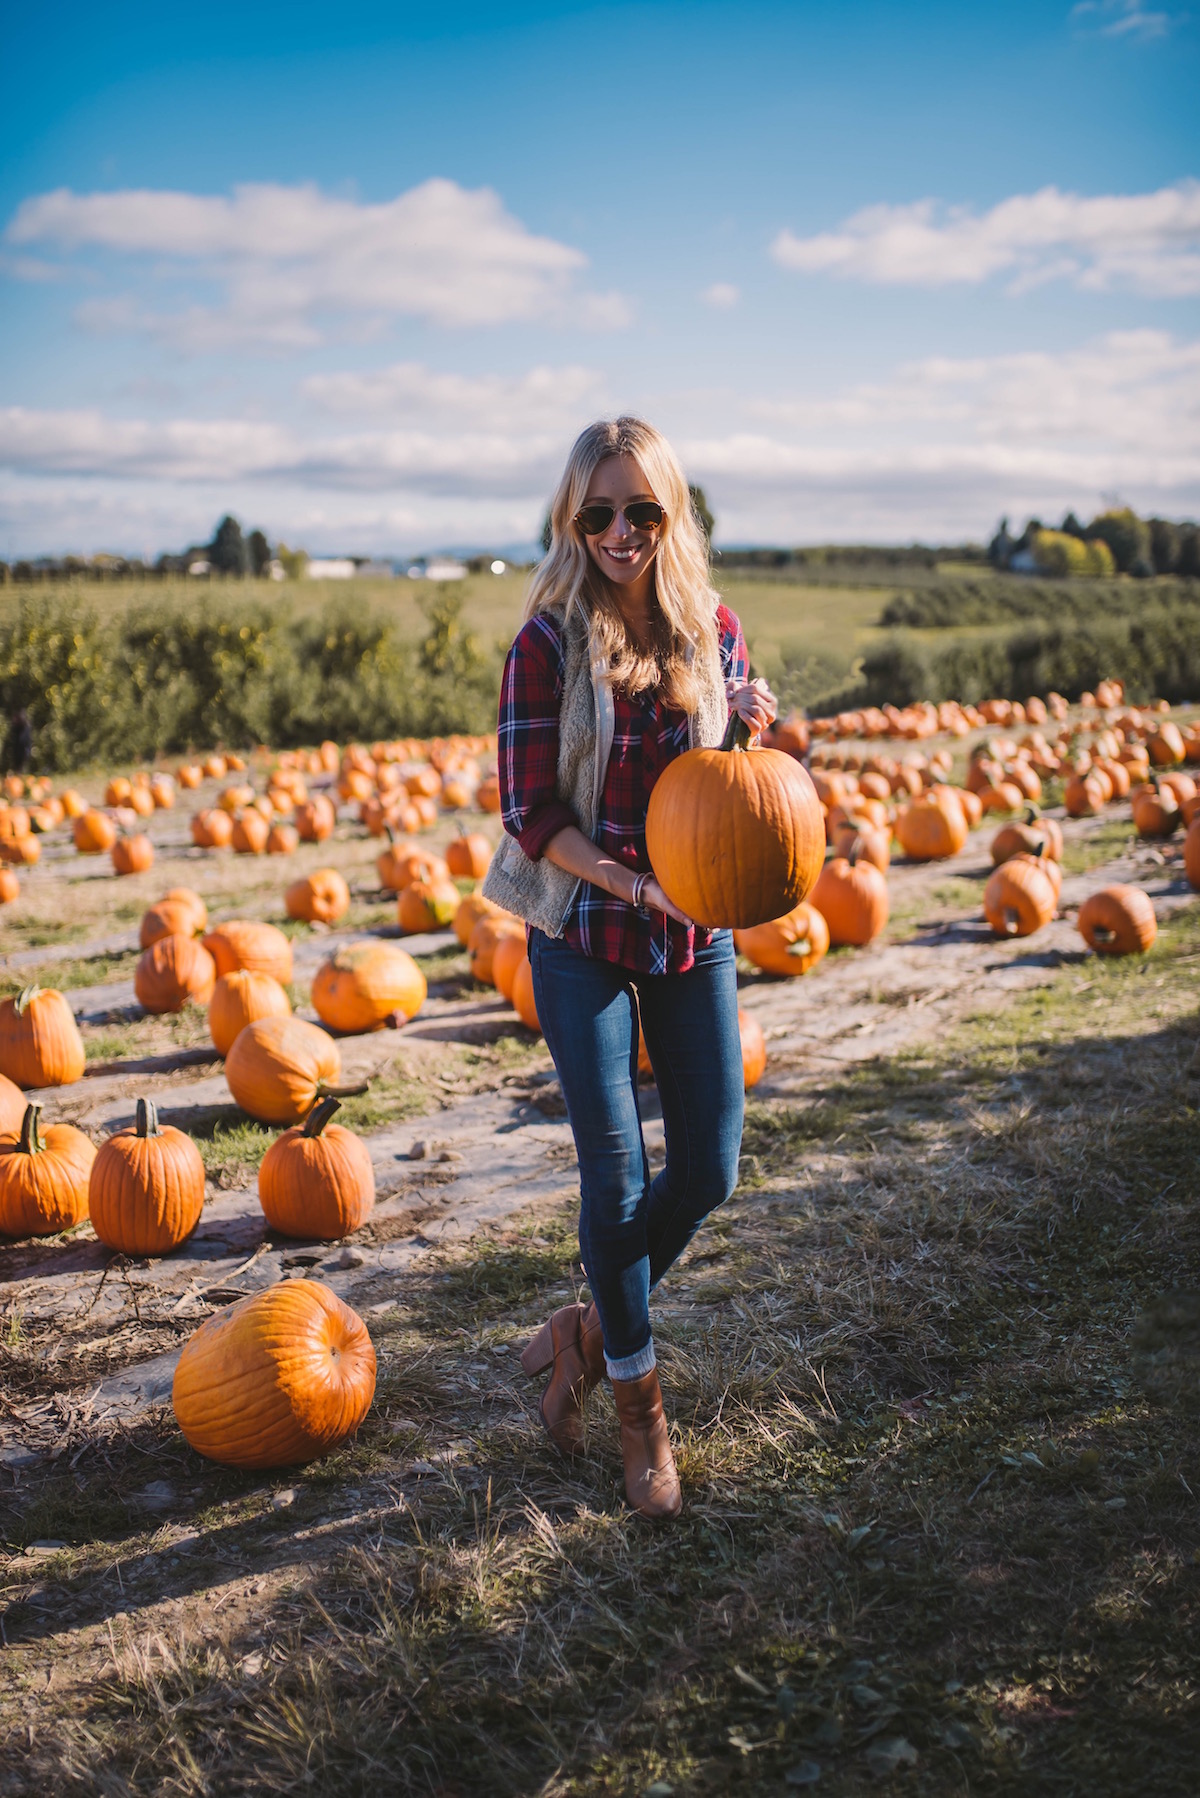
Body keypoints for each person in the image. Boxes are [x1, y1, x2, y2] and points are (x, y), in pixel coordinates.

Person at [484, 417, 776, 1519]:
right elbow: (532, 815)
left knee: (708, 1167)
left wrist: (750, 729)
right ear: (573, 517)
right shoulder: (548, 642)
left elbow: (718, 796)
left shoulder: (715, 630)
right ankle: (637, 1408)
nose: (618, 531)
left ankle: (587, 1326)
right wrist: (630, 882)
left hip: (691, 929)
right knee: (611, 1177)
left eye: (640, 512)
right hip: (584, 933)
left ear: (670, 515)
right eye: (597, 512)